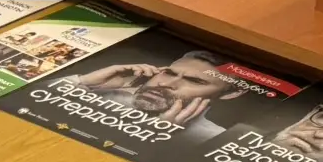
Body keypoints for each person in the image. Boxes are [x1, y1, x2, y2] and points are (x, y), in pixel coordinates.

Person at [65, 50, 248, 143]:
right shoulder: (101, 92)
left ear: (231, 93)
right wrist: (82, 81)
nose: (167, 83)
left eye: (195, 81)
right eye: (169, 73)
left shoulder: (213, 139)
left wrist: (157, 134)